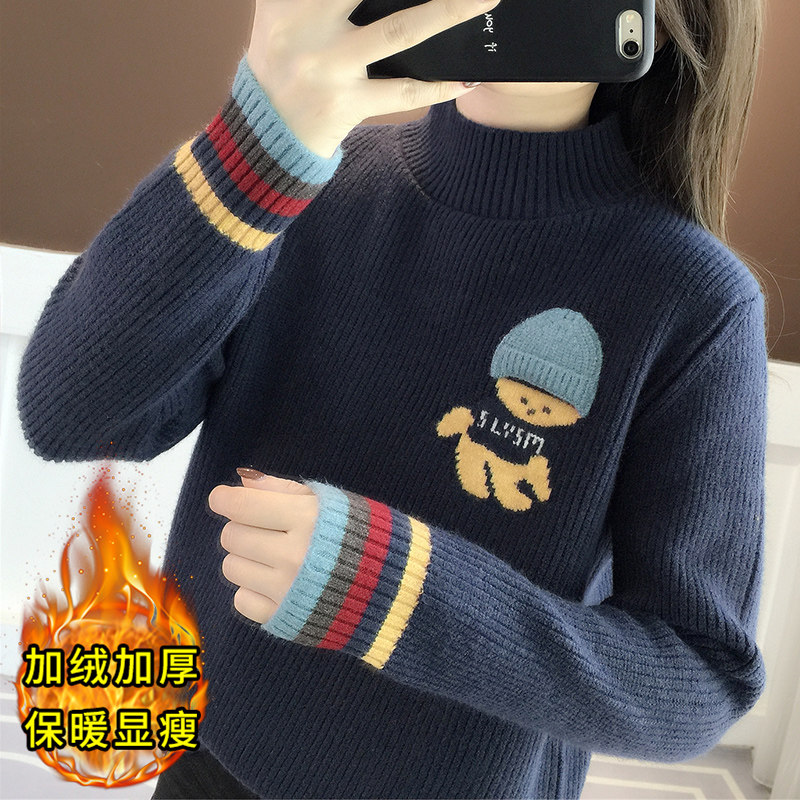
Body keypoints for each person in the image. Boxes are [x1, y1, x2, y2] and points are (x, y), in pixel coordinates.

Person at [16, 0, 770, 797]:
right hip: (204, 761)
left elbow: (698, 678)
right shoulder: (307, 176)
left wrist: (394, 590)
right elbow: (69, 415)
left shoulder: (692, 300)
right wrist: (255, 141)